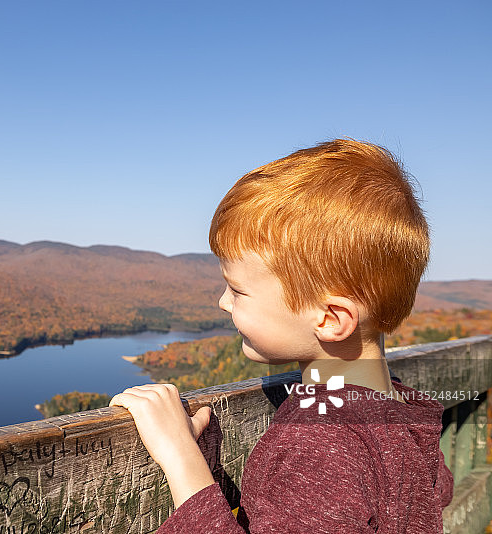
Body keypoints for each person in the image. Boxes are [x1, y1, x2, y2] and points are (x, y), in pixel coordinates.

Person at [110, 139, 454, 532]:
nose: (222, 302)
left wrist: (180, 455)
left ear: (329, 319)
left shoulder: (321, 446)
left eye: (238, 290)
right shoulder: (401, 417)